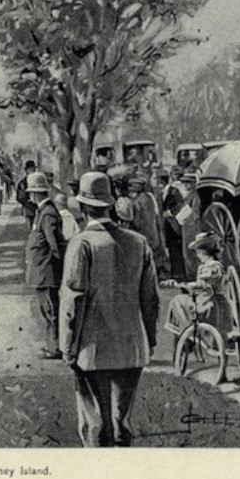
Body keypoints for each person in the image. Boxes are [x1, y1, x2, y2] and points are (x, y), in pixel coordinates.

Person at [59, 172, 159, 447]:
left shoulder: (81, 244)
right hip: (132, 348)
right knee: (121, 424)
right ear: (110, 204)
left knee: (96, 426)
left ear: (83, 206)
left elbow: (73, 301)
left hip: (92, 349)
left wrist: (67, 347)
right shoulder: (139, 243)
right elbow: (150, 299)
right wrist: (149, 339)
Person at [24, 172, 66, 360]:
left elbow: (55, 244)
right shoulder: (44, 211)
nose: (30, 197)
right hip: (43, 270)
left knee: (51, 310)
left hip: (47, 271)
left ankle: (55, 347)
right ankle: (52, 344)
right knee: (47, 310)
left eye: (31, 193)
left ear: (35, 194)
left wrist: (56, 266)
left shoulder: (47, 213)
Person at [163, 232, 230, 338]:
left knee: (177, 301)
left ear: (203, 252)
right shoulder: (216, 266)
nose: (198, 256)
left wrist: (180, 285)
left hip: (207, 303)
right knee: (182, 300)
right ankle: (186, 332)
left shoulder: (210, 267)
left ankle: (187, 332)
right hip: (216, 301)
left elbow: (202, 286)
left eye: (198, 252)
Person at [15, 160, 38, 229]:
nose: (32, 171)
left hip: (39, 206)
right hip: (29, 208)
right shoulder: (22, 183)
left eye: (33, 169)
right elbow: (19, 197)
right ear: (26, 171)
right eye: (30, 169)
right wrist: (27, 202)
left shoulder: (39, 181)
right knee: (31, 228)